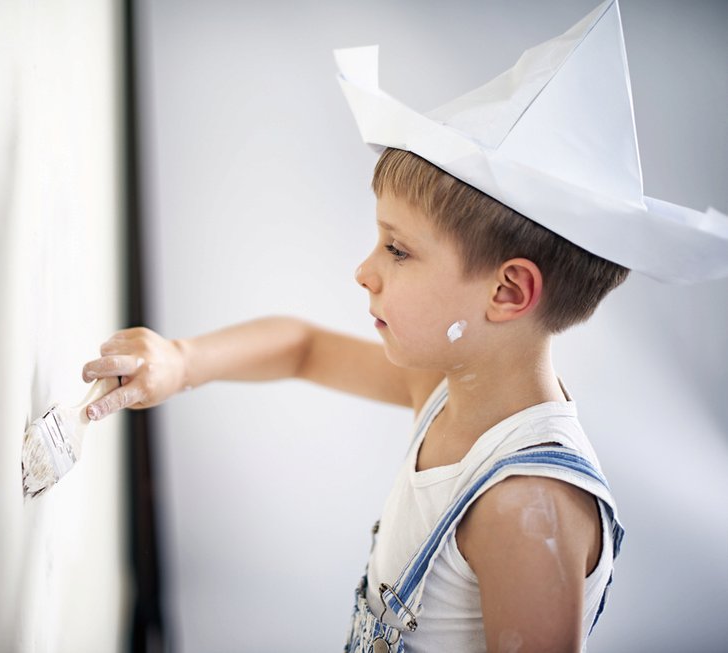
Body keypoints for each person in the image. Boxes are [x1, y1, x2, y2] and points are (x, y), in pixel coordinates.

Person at [82, 1, 727, 650]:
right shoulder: (447, 389)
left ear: (507, 291)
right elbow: (303, 348)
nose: (364, 271)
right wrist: (182, 360)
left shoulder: (527, 506)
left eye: (397, 248)